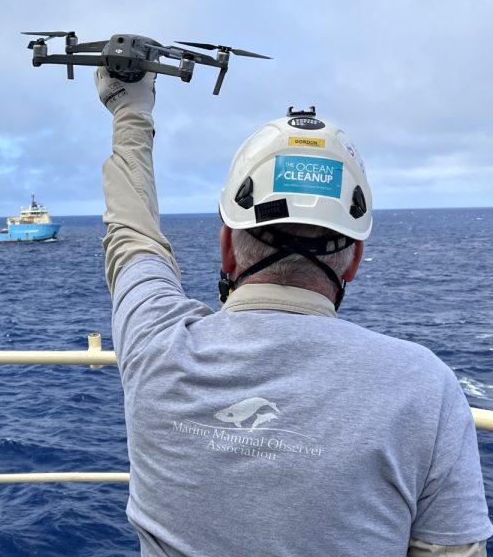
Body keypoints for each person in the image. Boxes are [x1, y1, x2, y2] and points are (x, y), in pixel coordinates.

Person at [93, 67, 493, 556]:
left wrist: (130, 109)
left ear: (227, 247)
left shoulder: (154, 343)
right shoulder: (425, 388)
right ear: (355, 261)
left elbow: (132, 237)